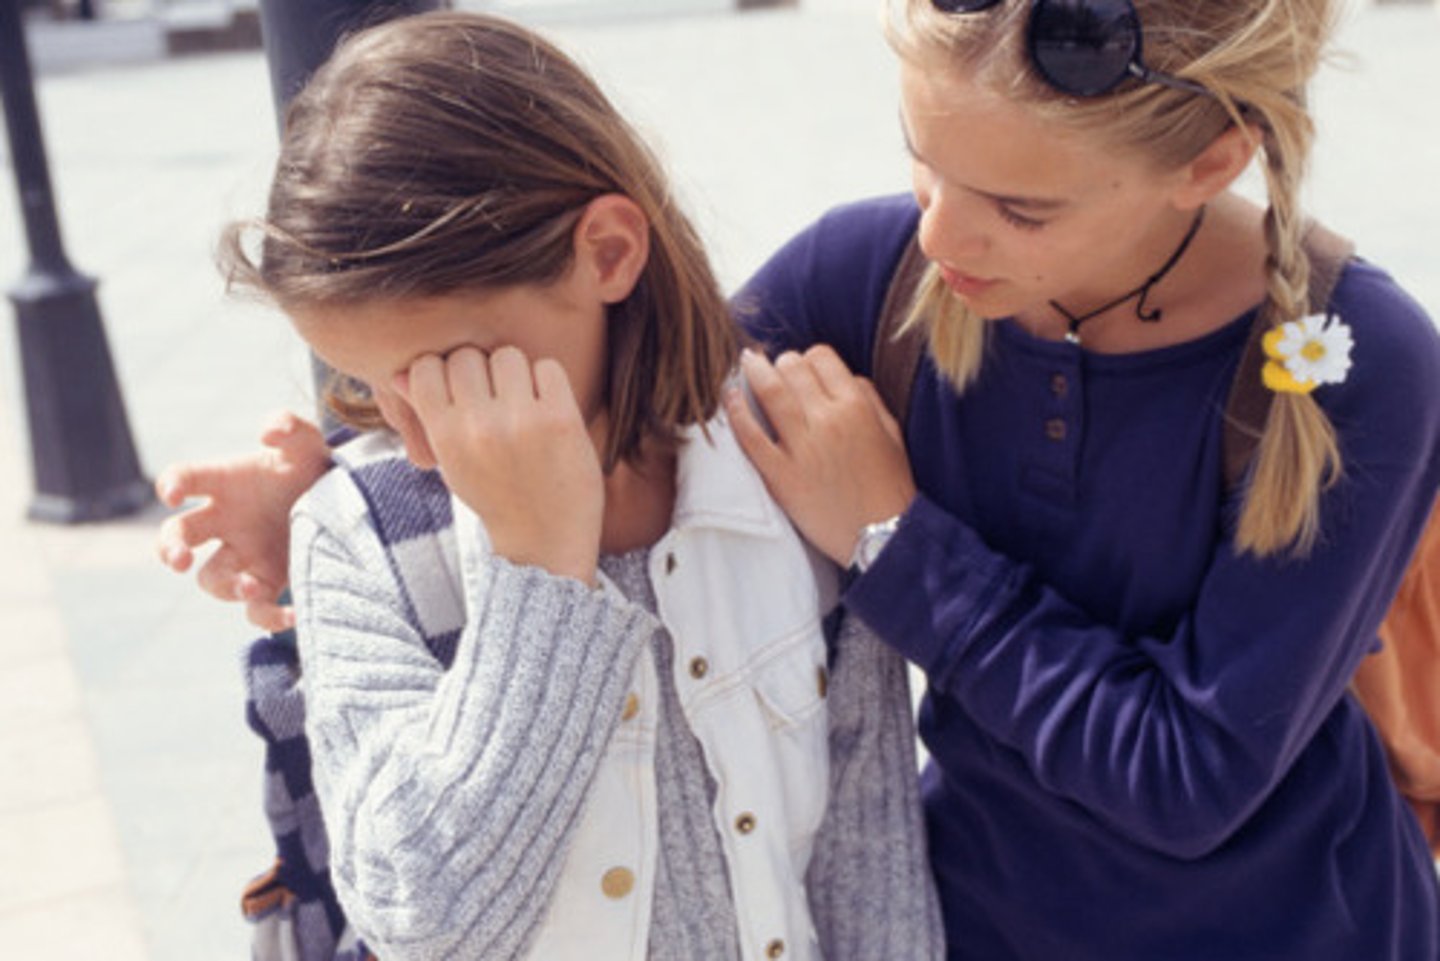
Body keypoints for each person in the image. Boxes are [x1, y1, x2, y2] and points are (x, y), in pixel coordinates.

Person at [160, 1, 1440, 959]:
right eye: (923, 162)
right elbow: (633, 382)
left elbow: (1189, 776)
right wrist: (344, 471)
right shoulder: (880, 277)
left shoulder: (1358, 360)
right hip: (976, 922)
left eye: (1021, 208)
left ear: (1210, 159)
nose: (942, 233)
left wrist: (894, 539)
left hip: (1303, 930)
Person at [170, 11, 944, 961]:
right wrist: (535, 570)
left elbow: (872, 872)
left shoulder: (790, 472)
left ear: (609, 253)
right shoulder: (358, 544)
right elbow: (427, 922)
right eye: (370, 385)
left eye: (447, 371)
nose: (420, 441)